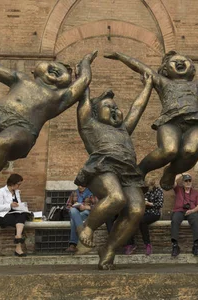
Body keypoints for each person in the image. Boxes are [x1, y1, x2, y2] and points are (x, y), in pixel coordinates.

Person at [0, 36, 96, 201]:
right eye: (54, 65)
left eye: (65, 71)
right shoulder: (20, 78)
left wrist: (85, 63)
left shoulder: (61, 96)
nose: (57, 68)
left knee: (2, 141)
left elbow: (84, 81)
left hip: (23, 129)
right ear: (34, 71)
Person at [104, 51, 198, 190]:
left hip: (196, 123)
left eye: (184, 61)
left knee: (190, 151)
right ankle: (140, 170)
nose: (180, 62)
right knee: (169, 150)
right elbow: (140, 67)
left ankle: (171, 171)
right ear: (165, 70)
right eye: (174, 61)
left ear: (191, 68)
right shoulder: (163, 82)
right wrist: (120, 56)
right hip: (170, 122)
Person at [74, 74, 153, 270]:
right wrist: (84, 74)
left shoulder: (124, 129)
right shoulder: (89, 125)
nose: (115, 109)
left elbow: (137, 108)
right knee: (116, 198)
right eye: (109, 106)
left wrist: (148, 86)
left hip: (127, 172)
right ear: (95, 112)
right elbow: (83, 98)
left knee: (136, 211)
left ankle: (108, 249)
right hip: (102, 167)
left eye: (116, 107)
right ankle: (88, 227)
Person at [122, 174, 164, 256]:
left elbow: (160, 204)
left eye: (149, 185)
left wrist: (149, 204)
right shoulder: (143, 190)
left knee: (142, 221)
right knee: (130, 219)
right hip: (143, 212)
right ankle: (130, 244)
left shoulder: (158, 191)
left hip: (154, 212)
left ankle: (148, 244)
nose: (147, 187)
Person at [0, 173, 30, 257]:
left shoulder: (16, 192)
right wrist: (10, 205)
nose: (19, 186)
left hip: (13, 213)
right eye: (18, 184)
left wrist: (22, 207)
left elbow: (18, 204)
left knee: (23, 215)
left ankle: (18, 236)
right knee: (19, 223)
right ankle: (18, 246)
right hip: (1, 215)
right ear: (13, 184)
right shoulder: (0, 192)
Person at [171, 173, 198, 257]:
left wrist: (192, 211)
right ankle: (175, 246)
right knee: (174, 220)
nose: (188, 182)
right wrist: (182, 174)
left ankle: (196, 245)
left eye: (189, 181)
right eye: (186, 181)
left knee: (196, 219)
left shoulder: (196, 193)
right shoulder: (178, 189)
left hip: (191, 211)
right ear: (183, 182)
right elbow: (172, 181)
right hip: (179, 211)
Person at [64, 186, 97, 253]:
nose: (80, 187)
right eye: (78, 185)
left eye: (82, 185)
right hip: (75, 212)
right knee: (73, 210)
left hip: (85, 213)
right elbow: (67, 206)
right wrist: (70, 207)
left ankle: (72, 245)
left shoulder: (91, 193)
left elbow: (97, 206)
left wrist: (85, 207)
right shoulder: (74, 193)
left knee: (73, 221)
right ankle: (82, 235)